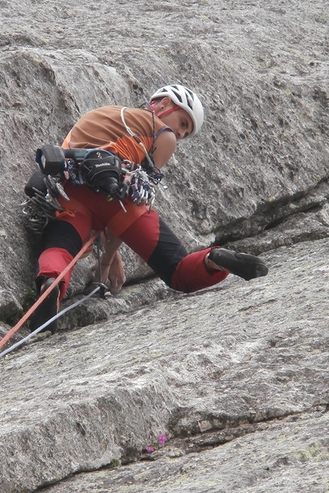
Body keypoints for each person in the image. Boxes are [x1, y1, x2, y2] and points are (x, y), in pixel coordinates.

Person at [28, 84, 268, 333]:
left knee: (59, 248)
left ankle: (51, 283)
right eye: (183, 123)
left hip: (71, 192)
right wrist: (107, 261)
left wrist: (110, 253)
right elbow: (133, 193)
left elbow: (87, 173)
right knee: (177, 270)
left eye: (186, 132)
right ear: (163, 104)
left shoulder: (97, 114)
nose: (181, 134)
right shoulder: (164, 135)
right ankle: (214, 259)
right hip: (119, 196)